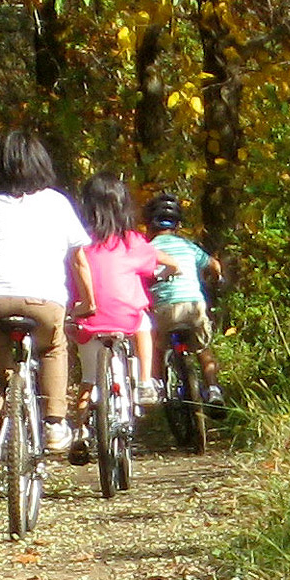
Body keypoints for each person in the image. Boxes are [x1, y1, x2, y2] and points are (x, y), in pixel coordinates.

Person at [0, 130, 96, 487]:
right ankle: (55, 424)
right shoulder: (57, 202)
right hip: (44, 300)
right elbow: (79, 258)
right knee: (54, 347)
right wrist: (88, 301)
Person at [67, 172, 179, 465]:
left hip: (88, 320)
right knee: (144, 321)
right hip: (125, 319)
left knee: (89, 379)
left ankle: (79, 431)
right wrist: (171, 269)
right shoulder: (132, 242)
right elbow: (166, 262)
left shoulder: (79, 244)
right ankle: (144, 382)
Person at [145, 192, 224, 405]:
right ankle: (214, 389)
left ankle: (158, 387)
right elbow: (214, 265)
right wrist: (217, 279)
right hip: (192, 305)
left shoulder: (147, 250)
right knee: (202, 348)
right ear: (178, 225)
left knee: (156, 346)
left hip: (164, 309)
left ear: (149, 225)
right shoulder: (188, 246)